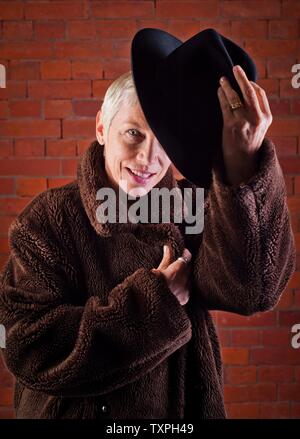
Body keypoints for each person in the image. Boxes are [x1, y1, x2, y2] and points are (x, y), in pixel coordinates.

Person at [0, 67, 296, 419]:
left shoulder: (194, 209)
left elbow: (253, 290)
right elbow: (27, 345)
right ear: (100, 127)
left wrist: (243, 163)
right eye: (133, 134)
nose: (147, 158)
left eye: (163, 140)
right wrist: (153, 306)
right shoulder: (48, 220)